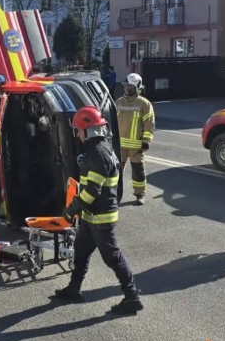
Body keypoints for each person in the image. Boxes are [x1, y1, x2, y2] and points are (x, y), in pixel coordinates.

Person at [52, 107, 143, 315]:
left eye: (78, 130)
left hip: (100, 218)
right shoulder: (101, 148)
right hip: (91, 217)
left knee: (112, 257)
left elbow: (91, 191)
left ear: (89, 130)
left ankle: (132, 297)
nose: (76, 134)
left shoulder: (97, 153)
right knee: (81, 251)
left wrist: (71, 209)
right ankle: (73, 289)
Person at [115, 73, 156, 205]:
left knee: (138, 171)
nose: (128, 88)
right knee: (116, 172)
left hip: (136, 147)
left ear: (138, 87)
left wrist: (146, 141)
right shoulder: (118, 102)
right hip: (120, 145)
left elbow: (149, 123)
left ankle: (139, 195)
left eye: (131, 86)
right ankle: (114, 194)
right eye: (126, 85)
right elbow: (111, 122)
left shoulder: (144, 104)